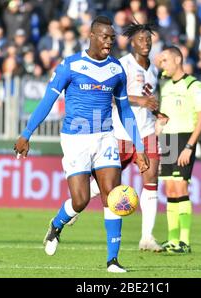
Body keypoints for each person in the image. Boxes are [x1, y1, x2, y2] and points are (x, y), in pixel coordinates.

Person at [13, 16, 149, 273]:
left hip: (105, 135)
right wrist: (26, 133)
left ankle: (113, 260)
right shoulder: (71, 65)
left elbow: (125, 111)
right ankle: (57, 224)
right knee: (81, 200)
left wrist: (139, 147)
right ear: (93, 36)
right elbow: (47, 101)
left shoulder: (116, 70)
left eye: (112, 37)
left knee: (112, 194)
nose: (110, 41)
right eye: (105, 37)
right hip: (76, 138)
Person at [66, 22, 170, 252]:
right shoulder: (121, 65)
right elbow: (111, 98)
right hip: (121, 134)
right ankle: (74, 206)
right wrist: (141, 100)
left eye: (149, 39)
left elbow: (147, 100)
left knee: (151, 181)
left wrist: (155, 111)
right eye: (141, 39)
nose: (146, 43)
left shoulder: (152, 70)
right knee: (107, 185)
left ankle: (146, 237)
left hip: (147, 132)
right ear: (131, 42)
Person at [158, 46, 201, 254]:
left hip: (183, 139)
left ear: (178, 60)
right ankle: (172, 240)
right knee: (169, 189)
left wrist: (189, 146)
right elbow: (163, 116)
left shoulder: (194, 86)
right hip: (167, 139)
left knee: (181, 188)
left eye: (165, 60)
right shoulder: (166, 86)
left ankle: (185, 242)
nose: (162, 65)